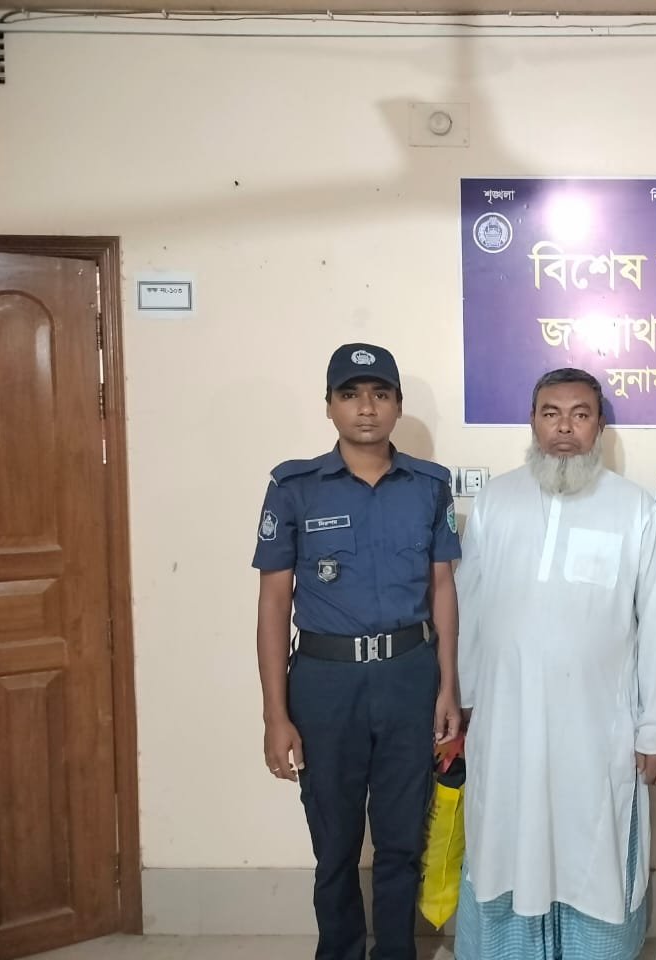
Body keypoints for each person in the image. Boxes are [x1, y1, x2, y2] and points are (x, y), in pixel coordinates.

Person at [454, 367, 656, 960]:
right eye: (551, 414)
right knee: (505, 842)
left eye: (580, 415)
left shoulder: (635, 510)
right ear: (532, 421)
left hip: (598, 734)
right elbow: (469, 607)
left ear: (599, 426)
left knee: (593, 852)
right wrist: (463, 700)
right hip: (506, 727)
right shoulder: (496, 502)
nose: (564, 428)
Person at [252, 342, 461, 960]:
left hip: (408, 677)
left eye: (379, 394)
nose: (366, 408)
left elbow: (442, 588)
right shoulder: (295, 488)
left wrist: (449, 687)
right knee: (336, 845)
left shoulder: (429, 486)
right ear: (329, 406)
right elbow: (273, 604)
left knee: (402, 841)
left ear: (397, 405)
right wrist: (275, 713)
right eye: (350, 394)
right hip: (325, 683)